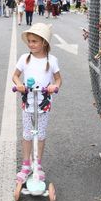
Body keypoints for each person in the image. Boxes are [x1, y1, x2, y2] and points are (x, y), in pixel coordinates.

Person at [12, 23, 62, 184]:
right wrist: (19, 84)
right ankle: (26, 164)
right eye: (29, 41)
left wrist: (54, 86)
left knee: (40, 135)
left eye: (34, 41)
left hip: (43, 104)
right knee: (27, 134)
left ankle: (37, 164)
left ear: (44, 43)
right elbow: (15, 76)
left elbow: (58, 79)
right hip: (28, 103)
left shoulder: (52, 61)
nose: (30, 44)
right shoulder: (24, 59)